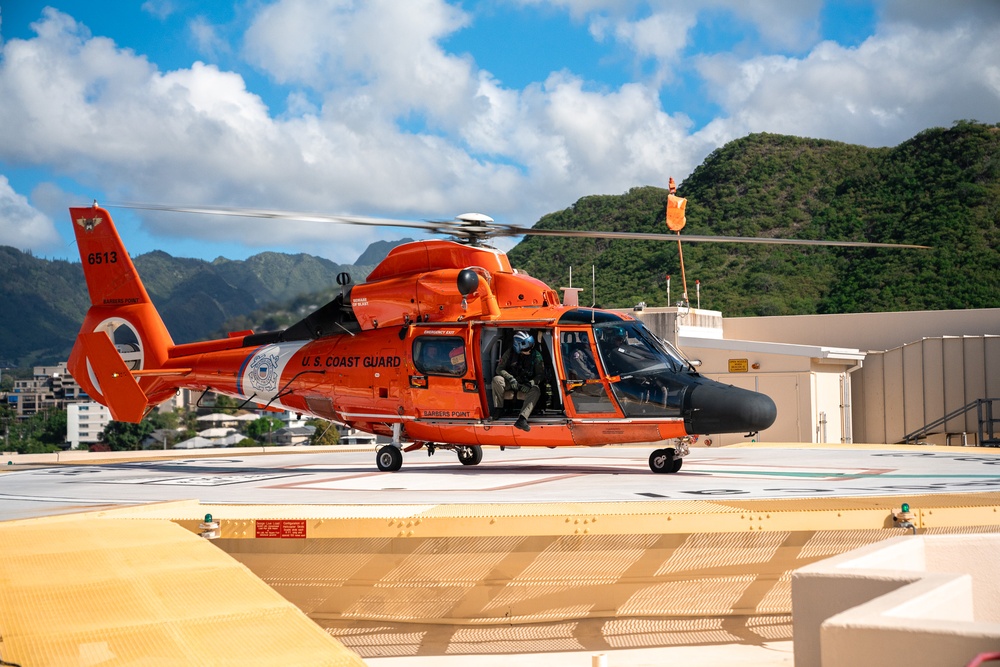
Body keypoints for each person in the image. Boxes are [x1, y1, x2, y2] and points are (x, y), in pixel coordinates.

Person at [491, 330, 545, 431]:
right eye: (526, 348)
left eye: (530, 347)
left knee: (536, 390)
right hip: (511, 382)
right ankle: (498, 409)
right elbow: (499, 369)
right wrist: (510, 378)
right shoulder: (510, 352)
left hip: (526, 384)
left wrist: (531, 383)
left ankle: (522, 419)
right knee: (497, 380)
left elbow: (540, 375)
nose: (529, 350)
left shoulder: (536, 355)